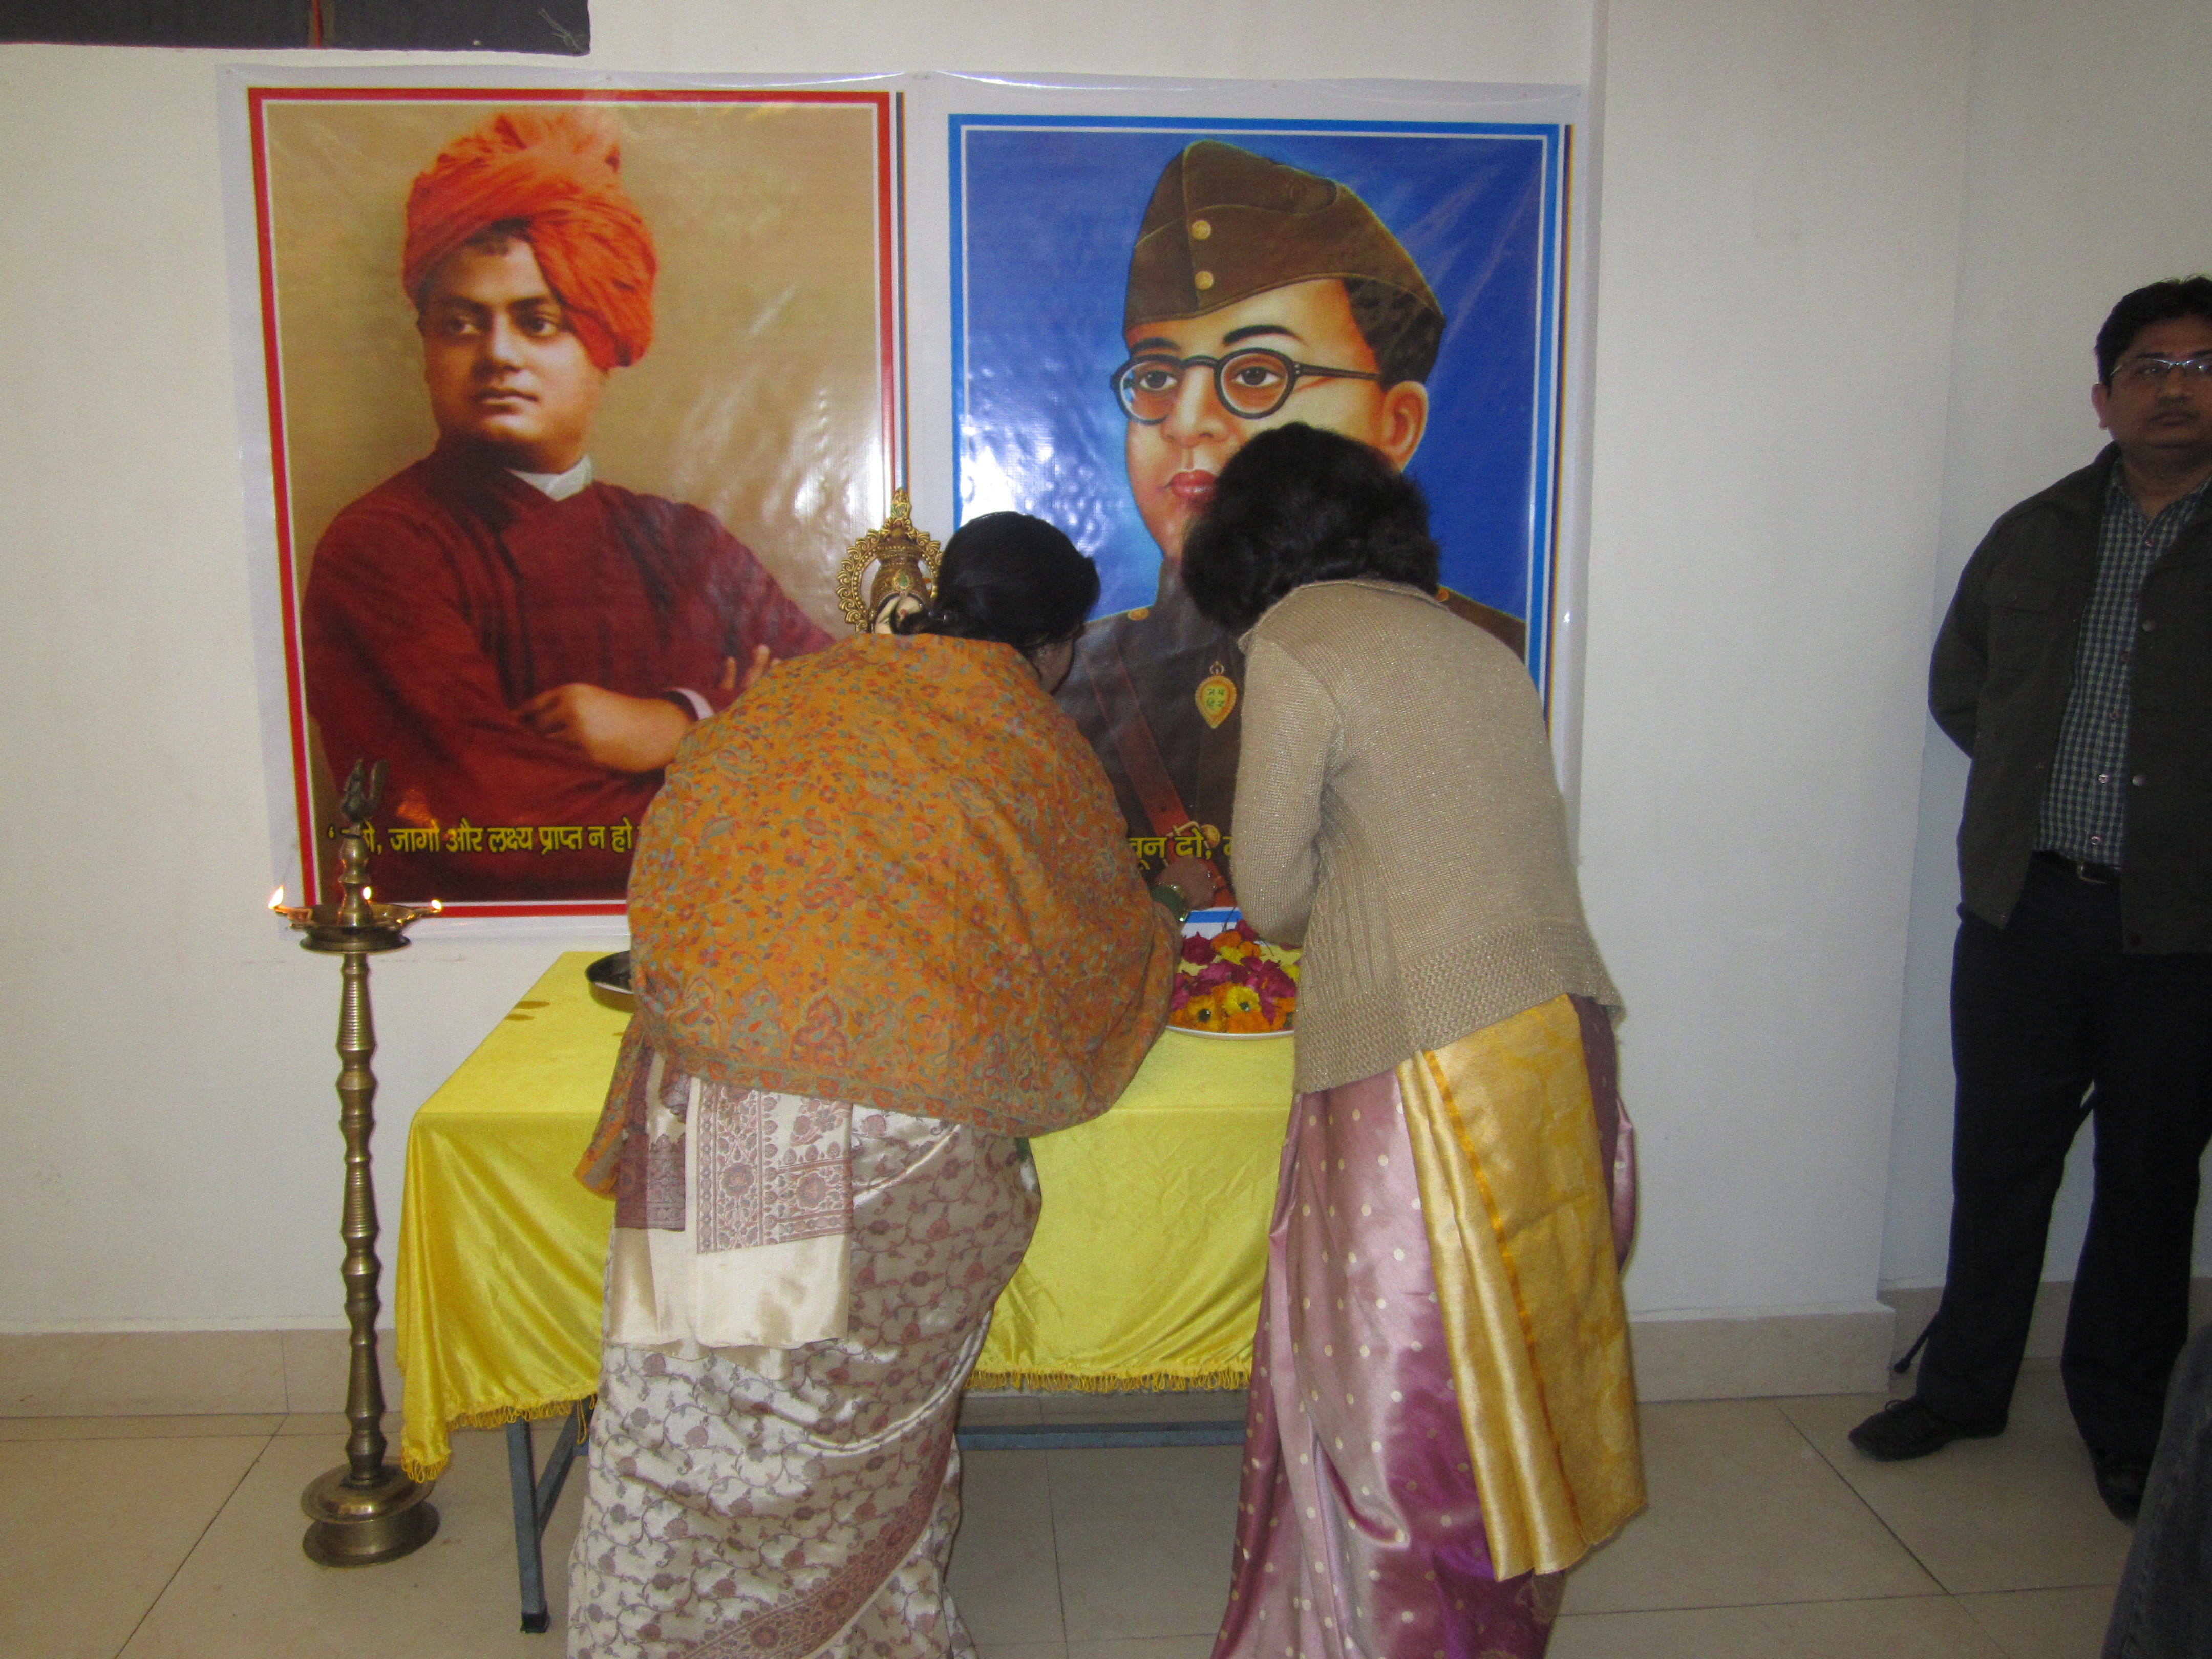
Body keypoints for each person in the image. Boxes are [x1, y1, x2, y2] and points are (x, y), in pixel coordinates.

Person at [565, 512, 1193, 1659]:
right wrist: (1162, 924)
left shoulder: (802, 692)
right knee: (845, 1432)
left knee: (699, 1407)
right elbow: (1094, 943)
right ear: (1054, 644)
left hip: (719, 1097)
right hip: (890, 1137)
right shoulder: (1029, 735)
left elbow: (675, 846)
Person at [1181, 424, 1643, 1659]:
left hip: (1427, 1057)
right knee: (1518, 1361)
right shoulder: (1474, 643)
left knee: (1394, 1384)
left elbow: (1270, 890)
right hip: (1559, 1033)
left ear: (1248, 540)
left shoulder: (1300, 641)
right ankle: (1503, 1614)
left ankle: (1383, 1631)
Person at [1849, 278, 2212, 1525]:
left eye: (2201, 365)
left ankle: (2127, 1420)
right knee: (1998, 1158)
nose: (2176, 388)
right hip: (2026, 909)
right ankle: (1963, 1389)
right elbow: (1965, 688)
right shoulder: (2037, 532)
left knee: (2151, 1178)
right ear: (2104, 398)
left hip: (2186, 929)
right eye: (2150, 367)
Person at [303, 108, 831, 904]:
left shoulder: (685, 545)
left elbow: (853, 718)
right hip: (471, 956)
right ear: (426, 348)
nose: (498, 355)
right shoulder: (382, 549)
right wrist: (754, 757)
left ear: (603, 342)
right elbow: (497, 827)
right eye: (461, 325)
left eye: (539, 323)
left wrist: (682, 726)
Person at [1057, 139, 1525, 903]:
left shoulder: (1497, 649)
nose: (1187, 420)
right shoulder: (1082, 670)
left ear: (1397, 424)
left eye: (1256, 374)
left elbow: (1279, 901)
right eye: (1156, 376)